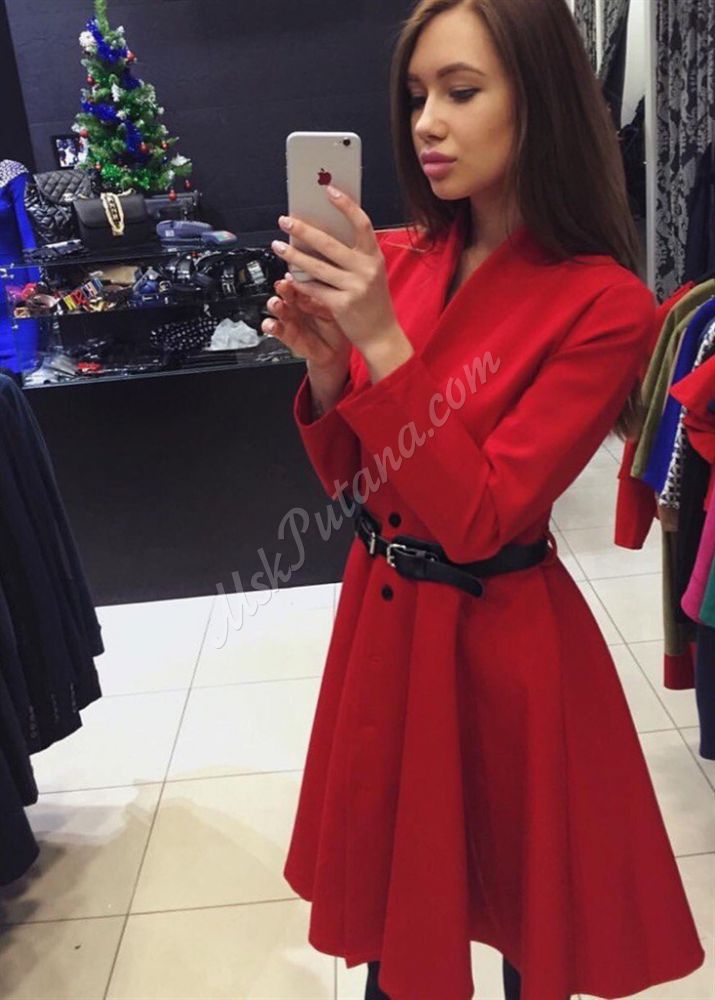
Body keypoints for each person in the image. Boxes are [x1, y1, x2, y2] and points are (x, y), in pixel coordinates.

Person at [263, 1, 706, 997]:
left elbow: (481, 515)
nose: (426, 122)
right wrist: (329, 371)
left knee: (521, 915)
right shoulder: (400, 260)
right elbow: (359, 486)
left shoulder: (602, 302)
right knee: (397, 920)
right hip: (384, 627)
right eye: (416, 95)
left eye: (460, 92)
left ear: (537, 100)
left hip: (498, 640)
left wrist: (383, 344)